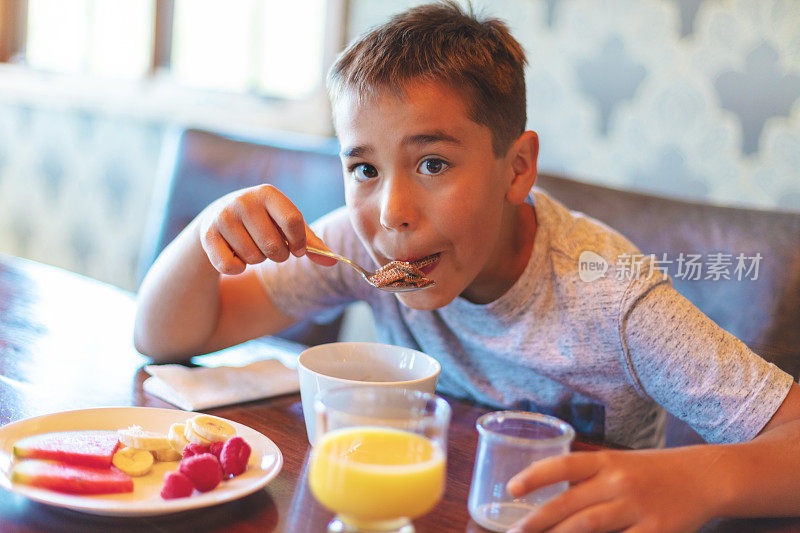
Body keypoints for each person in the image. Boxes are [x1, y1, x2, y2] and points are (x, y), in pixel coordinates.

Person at [135, 2, 800, 531]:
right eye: (363, 168)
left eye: (432, 163)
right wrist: (204, 236)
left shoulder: (611, 296)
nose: (393, 210)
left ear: (517, 168)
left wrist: (699, 477)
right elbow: (165, 337)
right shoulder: (363, 250)